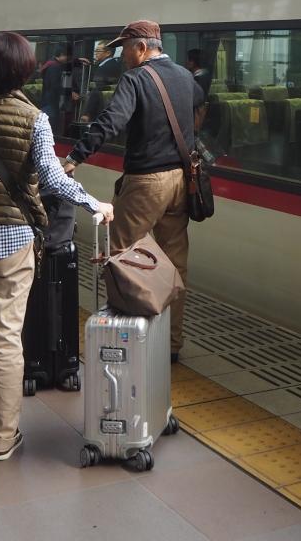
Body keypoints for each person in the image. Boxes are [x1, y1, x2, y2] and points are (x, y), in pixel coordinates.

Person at [0, 32, 113, 461]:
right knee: (8, 340)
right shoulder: (36, 120)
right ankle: (1, 437)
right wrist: (94, 203)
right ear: (26, 73)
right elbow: (52, 179)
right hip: (13, 243)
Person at [64, 20, 203, 361]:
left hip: (146, 183)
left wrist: (75, 157)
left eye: (124, 50)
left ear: (141, 48)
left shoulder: (136, 79)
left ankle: (125, 339)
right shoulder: (185, 76)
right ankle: (171, 344)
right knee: (175, 264)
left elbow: (112, 121)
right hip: (181, 180)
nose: (122, 57)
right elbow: (200, 106)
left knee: (120, 256)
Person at [37, 46, 72, 134]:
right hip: (51, 102)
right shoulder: (55, 67)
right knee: (50, 127)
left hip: (47, 100)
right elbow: (55, 85)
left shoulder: (50, 63)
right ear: (62, 55)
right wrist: (69, 93)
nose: (67, 59)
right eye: (67, 57)